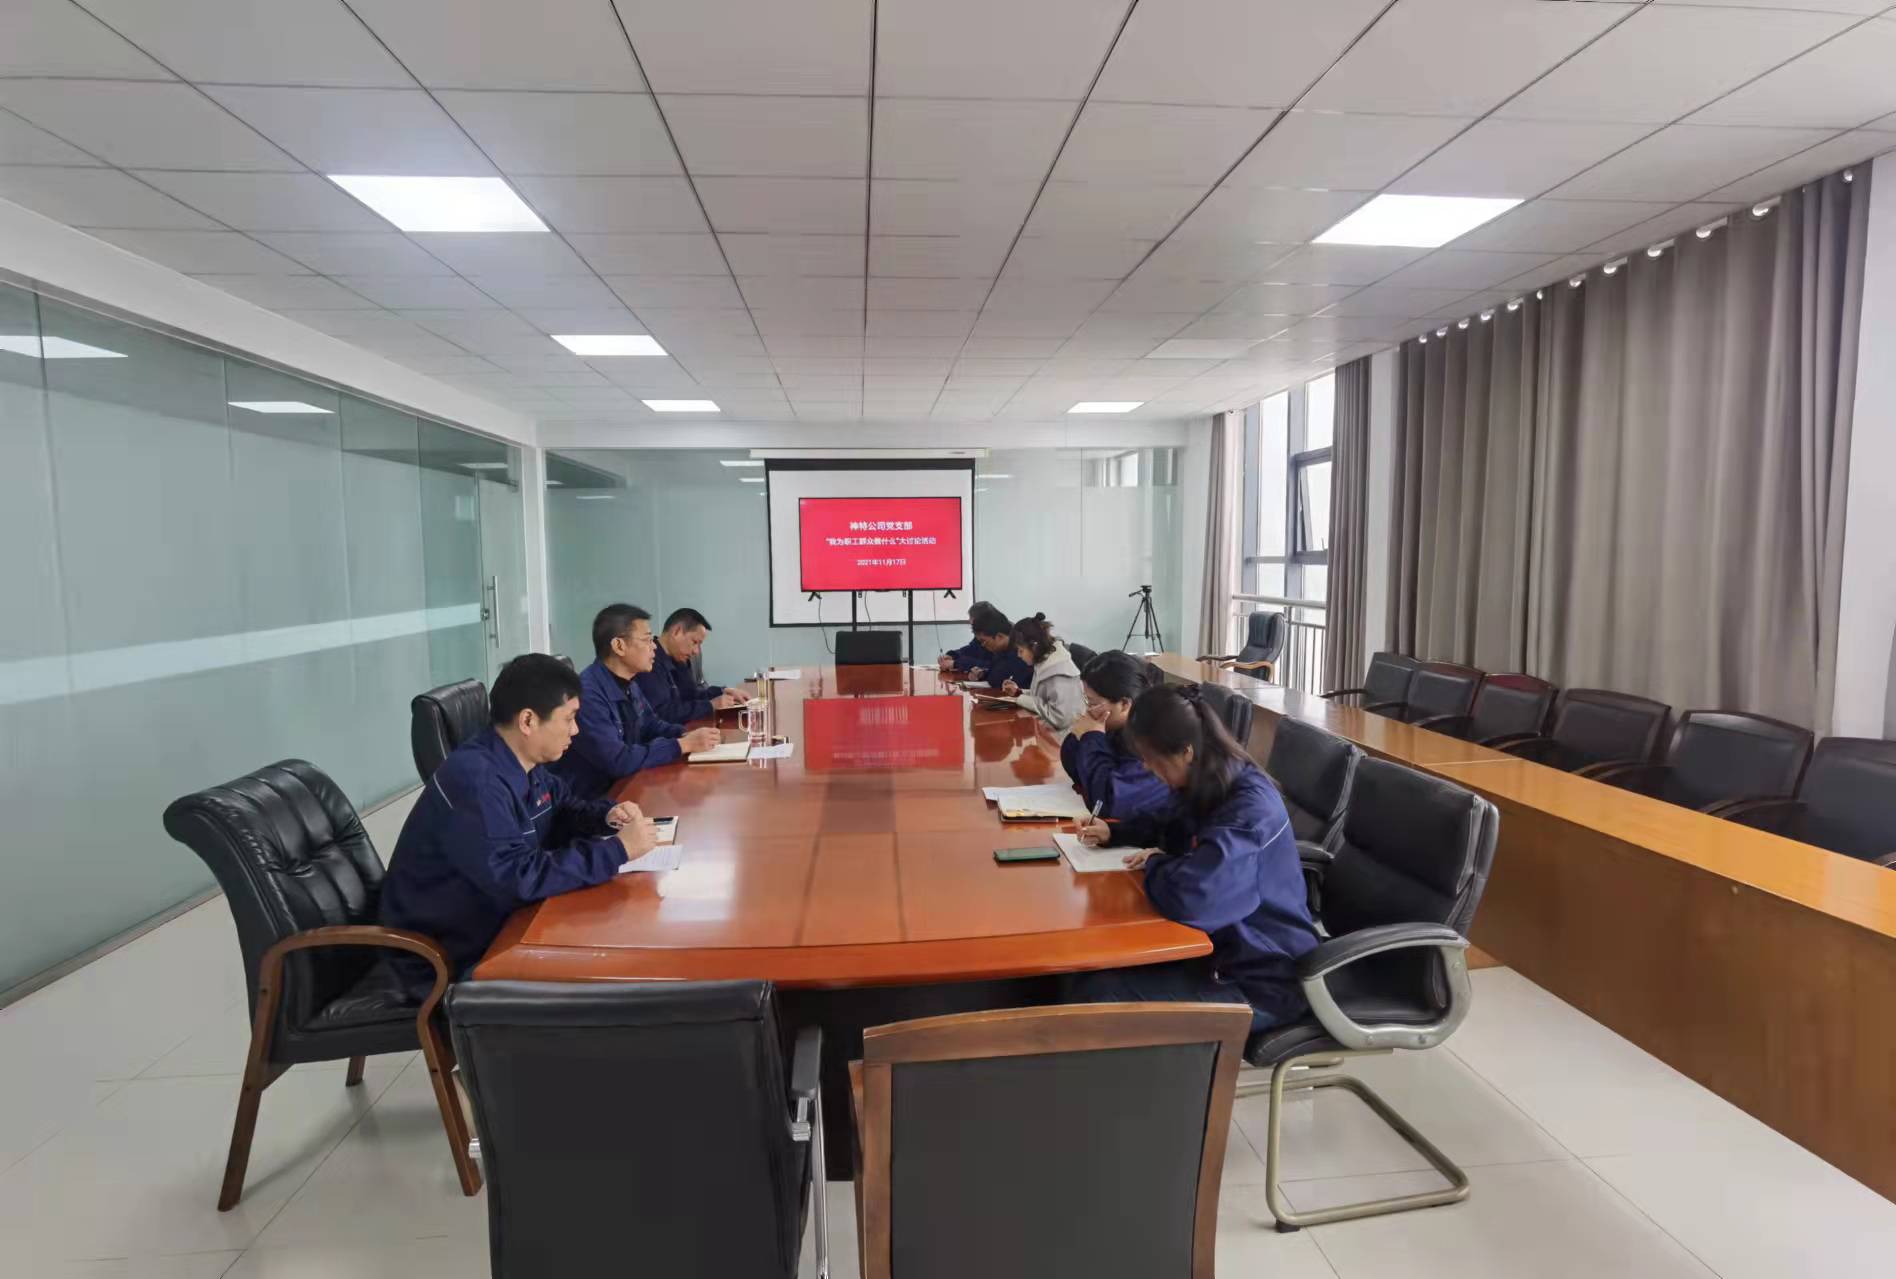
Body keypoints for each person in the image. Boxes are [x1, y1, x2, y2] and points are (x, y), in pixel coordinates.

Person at [379, 653, 661, 992]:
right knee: (605, 977)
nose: (576, 730)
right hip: (445, 958)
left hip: (495, 924)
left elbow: (563, 807)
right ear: (528, 720)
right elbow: (516, 877)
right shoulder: (477, 781)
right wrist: (617, 851)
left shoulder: (522, 761)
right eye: (569, 718)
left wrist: (606, 817)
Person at [1068, 684, 1318, 1032]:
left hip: (1260, 979)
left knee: (1098, 997)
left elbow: (1193, 897)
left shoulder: (1248, 810)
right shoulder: (1211, 778)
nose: (1147, 768)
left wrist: (1156, 864)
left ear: (1186, 752)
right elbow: (1170, 821)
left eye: (1153, 760)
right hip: (1220, 950)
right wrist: (1117, 833)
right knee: (1089, 970)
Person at [556, 604, 721, 800]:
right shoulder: (588, 694)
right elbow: (618, 760)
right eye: (647, 640)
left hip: (627, 787)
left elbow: (651, 725)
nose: (654, 646)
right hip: (594, 799)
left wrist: (685, 734)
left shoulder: (629, 682)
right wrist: (681, 745)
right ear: (619, 646)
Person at [1059, 651, 1172, 821]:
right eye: (1086, 701)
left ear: (1124, 704)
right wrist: (1078, 736)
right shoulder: (1115, 727)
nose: (1087, 710)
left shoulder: (1150, 740)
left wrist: (1092, 737)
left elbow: (1107, 801)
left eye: (1093, 703)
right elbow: (1080, 774)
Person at [637, 606, 747, 723]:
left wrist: (723, 691)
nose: (696, 651)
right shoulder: (649, 662)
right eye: (695, 642)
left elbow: (692, 695)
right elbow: (663, 714)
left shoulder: (679, 659)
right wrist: (710, 705)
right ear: (677, 631)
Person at [1000, 613, 1084, 732]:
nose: (1018, 655)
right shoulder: (1042, 662)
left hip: (1063, 736)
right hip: (1046, 730)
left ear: (1034, 646)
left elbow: (1061, 719)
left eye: (1021, 650)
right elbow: (1042, 697)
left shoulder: (1059, 673)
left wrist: (1021, 699)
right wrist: (1019, 692)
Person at [940, 602, 1033, 690]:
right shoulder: (1000, 647)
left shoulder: (1020, 650)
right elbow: (993, 671)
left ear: (999, 637)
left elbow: (999, 680)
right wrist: (982, 673)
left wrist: (957, 663)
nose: (983, 645)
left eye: (984, 641)